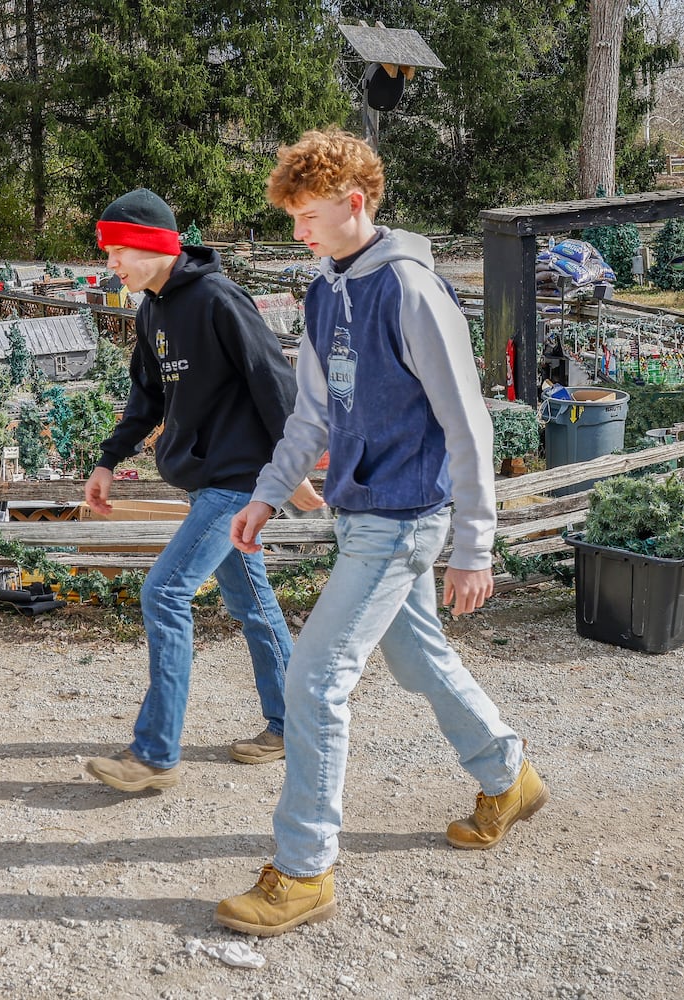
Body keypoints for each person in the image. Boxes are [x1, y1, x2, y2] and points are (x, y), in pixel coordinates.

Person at [215, 130, 547, 936]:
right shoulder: (325, 291)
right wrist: (267, 493)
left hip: (401, 521)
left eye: (308, 215)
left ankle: (302, 871)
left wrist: (474, 546)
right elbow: (312, 413)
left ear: (353, 204)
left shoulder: (409, 290)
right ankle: (509, 776)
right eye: (292, 216)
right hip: (357, 511)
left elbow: (467, 424)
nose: (298, 231)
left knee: (313, 680)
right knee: (414, 655)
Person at [82, 187, 323, 793]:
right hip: (206, 480)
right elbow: (148, 398)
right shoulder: (152, 311)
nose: (110, 264)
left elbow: (274, 380)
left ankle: (154, 755)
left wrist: (291, 475)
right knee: (251, 602)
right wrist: (110, 458)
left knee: (164, 592)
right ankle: (294, 723)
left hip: (239, 481)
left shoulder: (218, 298)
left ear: (154, 247)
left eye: (117, 252)